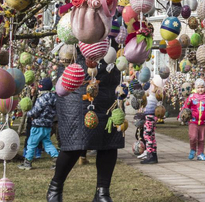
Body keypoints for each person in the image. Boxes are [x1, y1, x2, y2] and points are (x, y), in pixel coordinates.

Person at [48, 43, 124, 202]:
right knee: (76, 138)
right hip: (77, 66)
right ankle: (56, 186)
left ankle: (102, 192)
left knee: (109, 138)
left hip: (108, 68)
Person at [19, 78, 58, 170]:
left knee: (31, 143)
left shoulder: (41, 98)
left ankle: (27, 162)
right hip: (48, 125)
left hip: (38, 125)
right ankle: (56, 158)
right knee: (47, 143)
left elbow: (35, 111)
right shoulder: (54, 98)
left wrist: (28, 113)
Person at [181, 79, 205, 161]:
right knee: (193, 137)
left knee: (202, 139)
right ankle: (193, 150)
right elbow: (185, 107)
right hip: (193, 121)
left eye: (202, 87)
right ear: (195, 88)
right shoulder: (191, 97)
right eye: (198, 87)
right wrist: (182, 116)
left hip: (204, 121)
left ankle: (200, 154)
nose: (200, 89)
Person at [139, 83, 159, 164]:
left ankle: (150, 155)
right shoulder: (155, 95)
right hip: (152, 115)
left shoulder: (151, 95)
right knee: (152, 136)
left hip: (149, 116)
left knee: (147, 136)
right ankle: (153, 155)